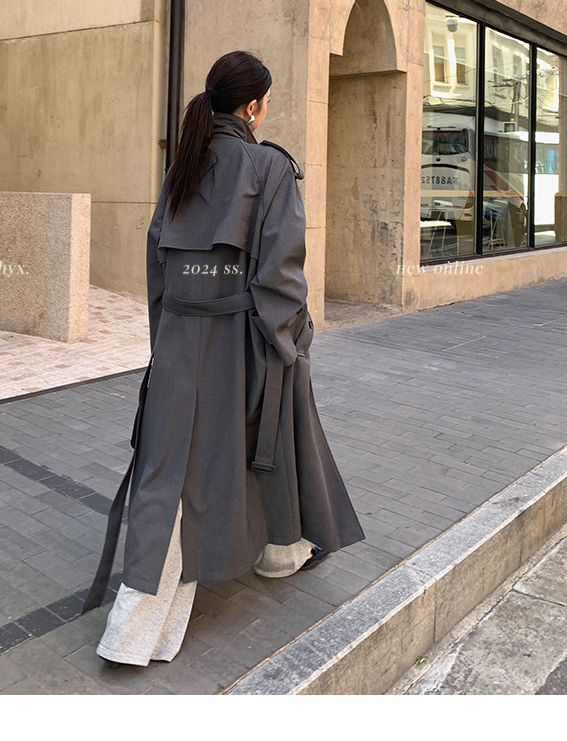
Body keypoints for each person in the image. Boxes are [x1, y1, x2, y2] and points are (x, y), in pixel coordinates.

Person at [85, 50, 365, 668]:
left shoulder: (183, 167)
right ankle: (135, 630)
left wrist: (167, 341)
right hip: (242, 343)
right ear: (254, 107)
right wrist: (290, 343)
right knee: (226, 458)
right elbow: (282, 276)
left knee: (179, 465)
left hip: (180, 342)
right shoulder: (269, 167)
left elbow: (158, 265)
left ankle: (279, 552)